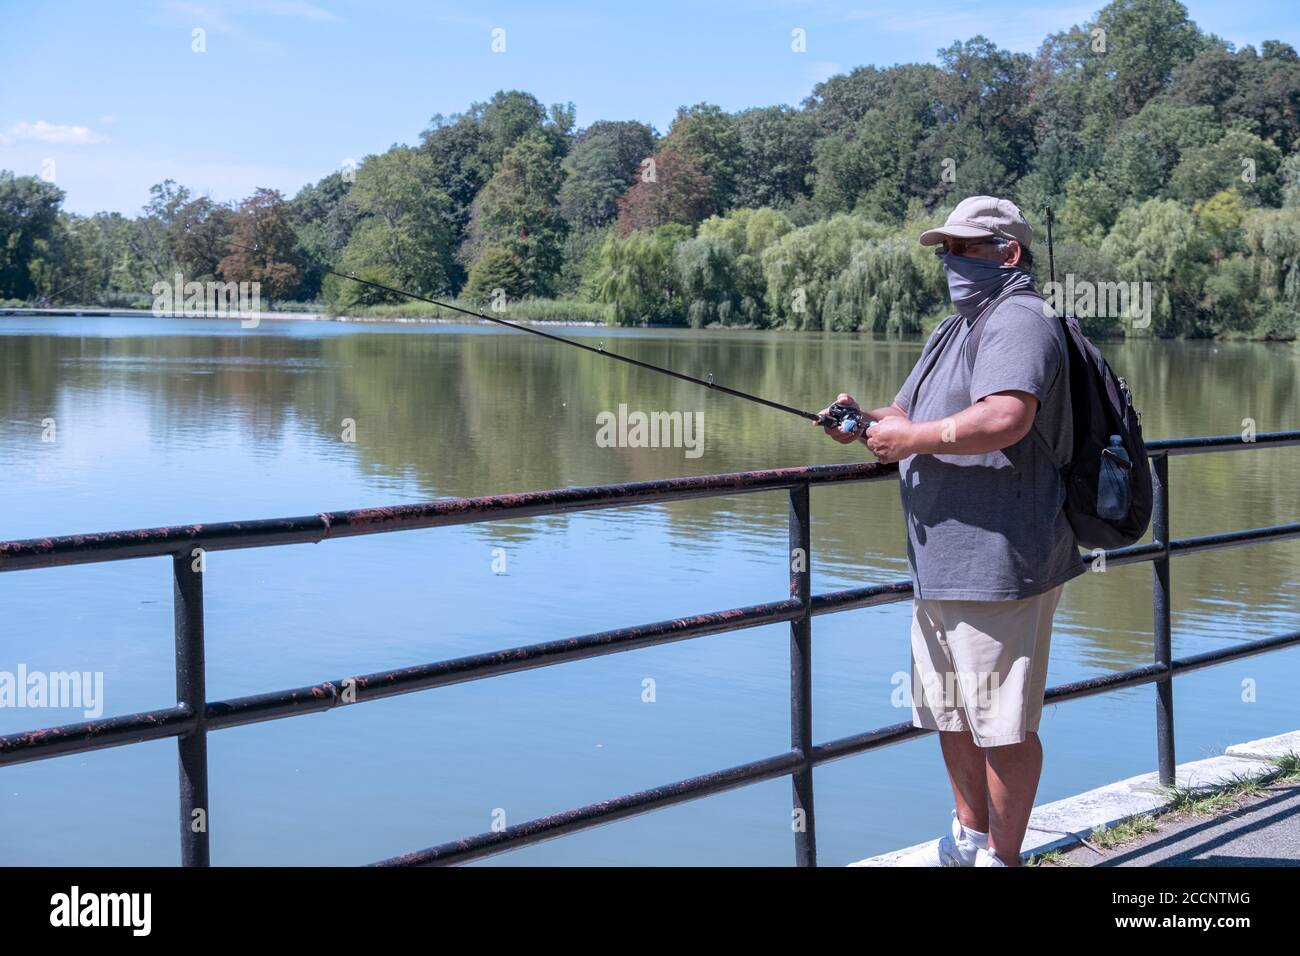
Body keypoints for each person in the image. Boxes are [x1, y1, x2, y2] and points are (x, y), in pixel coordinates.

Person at [818, 195, 1082, 866]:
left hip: (999, 558)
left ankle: (1003, 856)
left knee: (1002, 725)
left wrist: (915, 439)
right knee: (952, 714)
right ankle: (968, 839)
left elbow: (1006, 417)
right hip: (943, 560)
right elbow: (907, 411)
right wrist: (864, 421)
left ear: (1009, 255)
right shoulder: (955, 327)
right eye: (945, 251)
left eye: (963, 250)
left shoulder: (1019, 319)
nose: (950, 262)